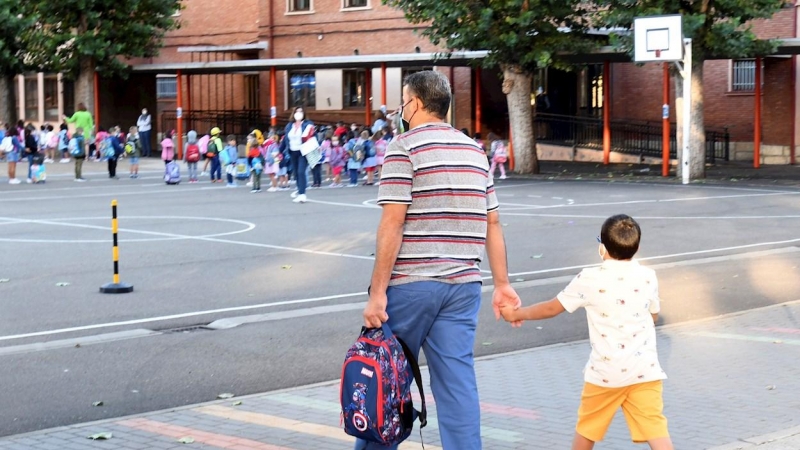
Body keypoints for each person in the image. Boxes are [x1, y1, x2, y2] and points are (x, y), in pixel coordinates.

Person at [359, 70, 521, 450]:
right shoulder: (474, 151)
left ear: (414, 104)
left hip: (411, 286)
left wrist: (377, 293)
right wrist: (502, 284)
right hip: (464, 286)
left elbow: (392, 223)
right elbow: (492, 222)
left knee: (386, 381)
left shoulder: (404, 146)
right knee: (457, 384)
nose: (401, 108)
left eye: (403, 100)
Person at [499, 215, 672, 450]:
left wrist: (516, 313)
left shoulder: (590, 278)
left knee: (587, 429)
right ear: (637, 247)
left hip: (604, 374)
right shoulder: (648, 276)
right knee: (656, 429)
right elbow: (653, 315)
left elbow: (552, 308)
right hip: (645, 372)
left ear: (602, 247)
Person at [282, 106, 315, 203]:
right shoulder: (289, 125)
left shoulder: (308, 124)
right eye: (297, 111)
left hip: (303, 151)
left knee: (301, 172)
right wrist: (280, 150)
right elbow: (285, 139)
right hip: (292, 151)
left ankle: (302, 194)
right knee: (296, 174)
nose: (299, 113)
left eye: (301, 111)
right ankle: (300, 191)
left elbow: (313, 136)